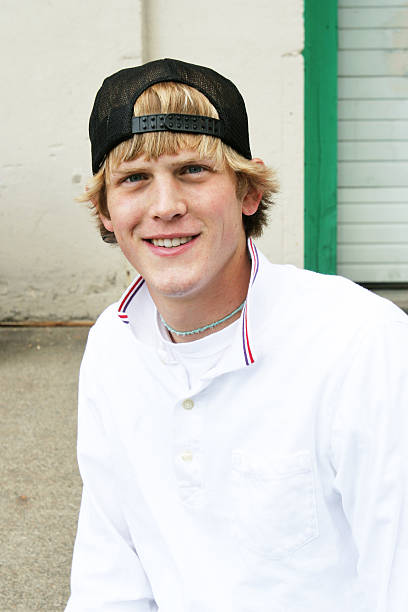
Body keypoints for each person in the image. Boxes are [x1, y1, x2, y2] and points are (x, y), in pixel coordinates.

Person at [66, 58, 408, 612]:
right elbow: (112, 569)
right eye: (134, 179)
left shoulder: (362, 343)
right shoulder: (113, 345)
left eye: (193, 172)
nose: (166, 206)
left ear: (247, 192)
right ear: (106, 211)